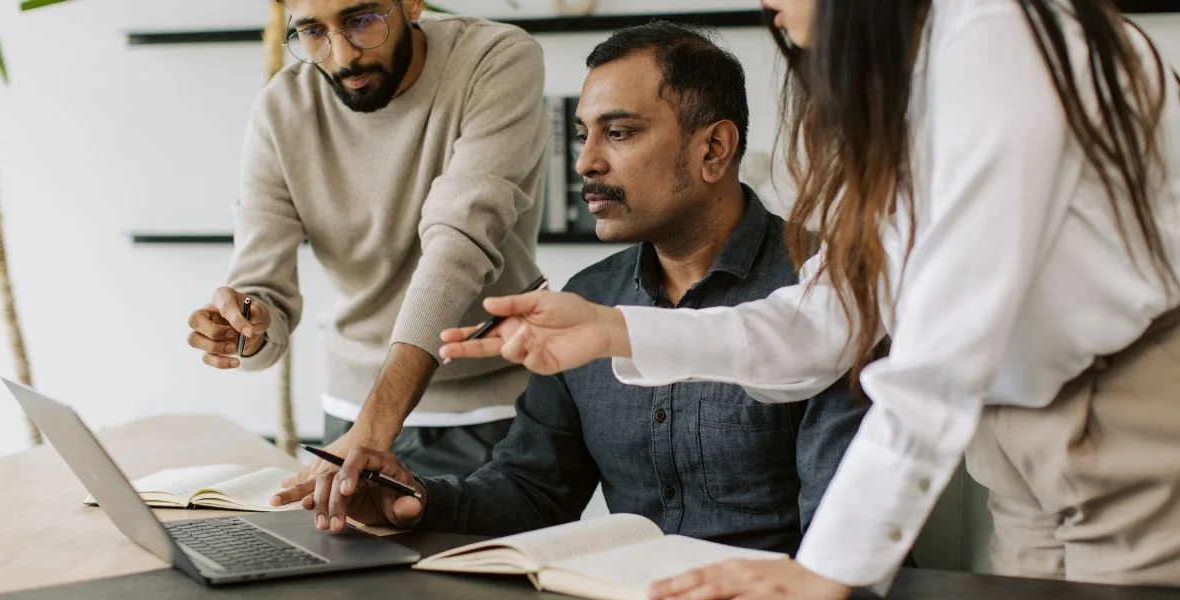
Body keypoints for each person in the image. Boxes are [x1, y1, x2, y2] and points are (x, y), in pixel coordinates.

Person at [438, 0, 1180, 598]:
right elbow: (831, 317)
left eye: (621, 131)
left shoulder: (995, 38)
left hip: (1118, 422)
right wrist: (611, 330)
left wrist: (829, 569)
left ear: (716, 149)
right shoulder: (911, 76)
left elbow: (941, 352)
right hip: (1015, 442)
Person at [283, 21, 865, 558]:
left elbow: (841, 533)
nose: (586, 162)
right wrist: (415, 504)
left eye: (619, 133)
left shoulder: (830, 291)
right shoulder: (587, 298)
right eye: (584, 134)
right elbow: (533, 492)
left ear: (713, 149)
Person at [184, 0, 551, 484]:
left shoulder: (496, 58)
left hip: (492, 410)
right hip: (351, 412)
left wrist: (377, 423)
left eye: (361, 21)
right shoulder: (281, 110)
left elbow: (459, 244)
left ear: (412, 4)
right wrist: (246, 325)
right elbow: (263, 289)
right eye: (313, 31)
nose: (342, 55)